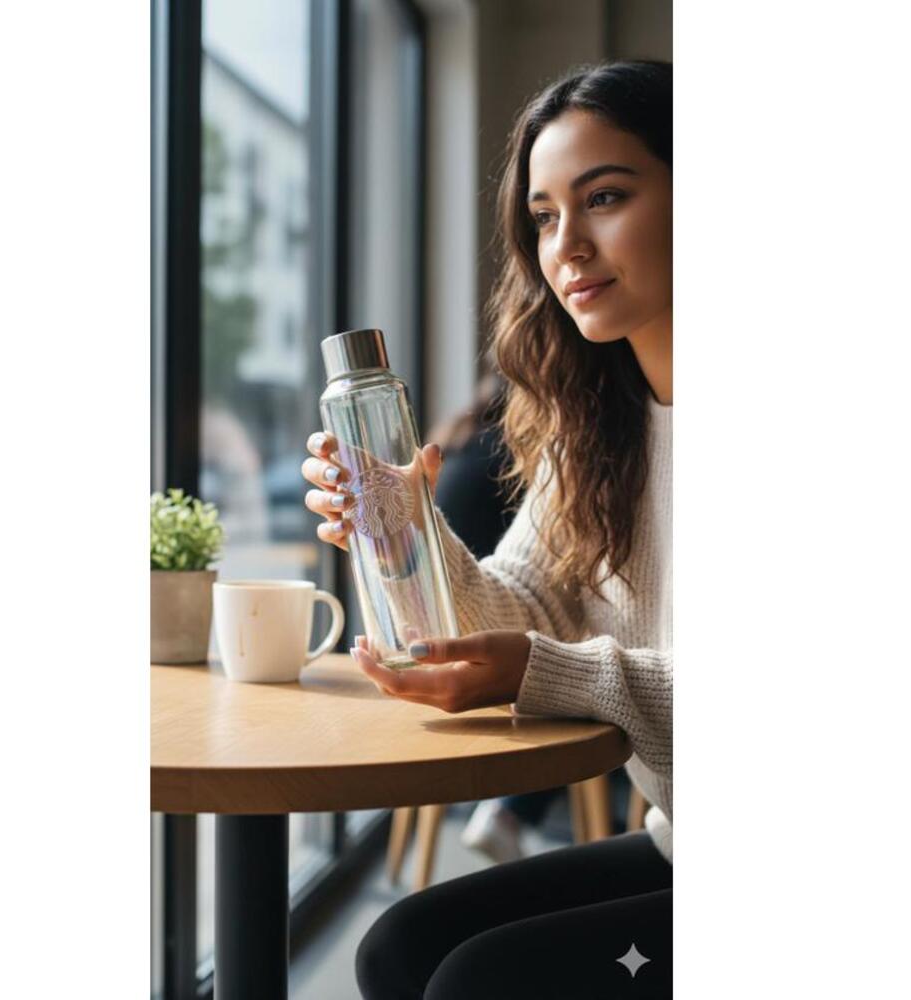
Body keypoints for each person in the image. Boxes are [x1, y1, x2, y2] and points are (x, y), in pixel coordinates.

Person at [302, 59, 672, 999]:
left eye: (605, 197)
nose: (567, 247)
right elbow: (523, 605)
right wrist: (404, 533)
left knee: (478, 980)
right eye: (544, 217)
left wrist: (542, 670)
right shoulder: (600, 426)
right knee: (396, 947)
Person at [428, 372, 568, 864]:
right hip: (481, 643)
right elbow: (542, 587)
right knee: (565, 685)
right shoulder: (513, 459)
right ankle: (509, 813)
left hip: (434, 639)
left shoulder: (454, 441)